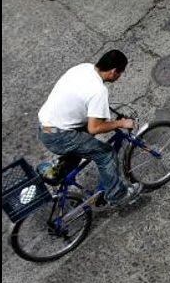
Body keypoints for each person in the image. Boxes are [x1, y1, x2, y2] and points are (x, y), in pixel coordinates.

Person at [36, 49, 142, 207]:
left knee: (82, 144)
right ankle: (116, 195)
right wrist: (120, 123)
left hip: (46, 127)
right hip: (58, 136)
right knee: (106, 154)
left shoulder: (83, 68)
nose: (119, 77)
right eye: (120, 73)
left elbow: (80, 101)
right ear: (113, 71)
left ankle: (56, 172)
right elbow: (95, 128)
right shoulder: (98, 91)